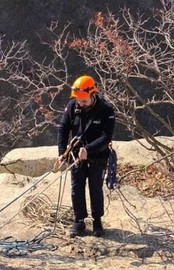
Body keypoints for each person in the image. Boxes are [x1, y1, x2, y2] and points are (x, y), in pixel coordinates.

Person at [57, 75, 115, 237]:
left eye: (84, 100)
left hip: (97, 154)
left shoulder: (106, 110)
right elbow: (63, 129)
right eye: (79, 100)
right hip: (76, 154)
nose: (81, 103)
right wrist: (63, 152)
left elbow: (106, 137)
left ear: (93, 94)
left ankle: (97, 220)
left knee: (95, 187)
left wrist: (88, 149)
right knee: (77, 187)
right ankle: (79, 220)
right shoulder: (72, 106)